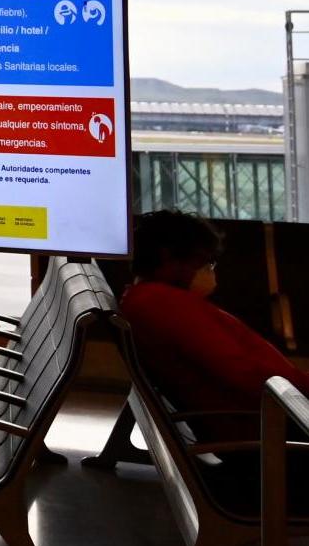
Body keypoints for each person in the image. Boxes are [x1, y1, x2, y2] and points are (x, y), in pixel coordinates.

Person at [121, 209, 309, 509]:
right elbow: (244, 374)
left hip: (274, 423)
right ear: (168, 257)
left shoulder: (154, 300)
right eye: (203, 262)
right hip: (276, 434)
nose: (208, 271)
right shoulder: (163, 305)